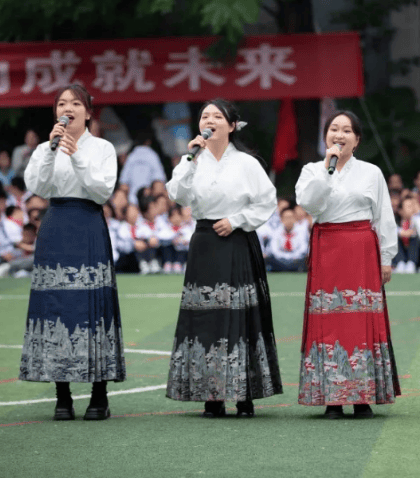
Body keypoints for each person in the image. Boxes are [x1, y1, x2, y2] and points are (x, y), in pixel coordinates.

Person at [165, 98, 282, 418]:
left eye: (218, 116)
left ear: (232, 126)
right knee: (205, 319)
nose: (210, 120)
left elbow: (267, 200)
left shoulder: (246, 163)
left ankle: (245, 396)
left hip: (236, 240)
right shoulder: (193, 159)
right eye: (205, 116)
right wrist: (189, 159)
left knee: (241, 318)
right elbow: (177, 193)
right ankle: (211, 396)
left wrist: (238, 220)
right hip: (204, 242)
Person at [19, 84, 126, 421]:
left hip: (89, 225)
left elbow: (102, 189)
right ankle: (61, 395)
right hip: (55, 226)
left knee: (92, 307)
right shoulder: (44, 148)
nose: (68, 108)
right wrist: (52, 150)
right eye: (62, 103)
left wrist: (76, 152)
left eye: (75, 103)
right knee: (55, 308)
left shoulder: (103, 148)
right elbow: (38, 186)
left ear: (89, 111)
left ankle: (99, 395)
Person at [295, 109, 400, 419]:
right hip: (327, 246)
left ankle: (363, 397)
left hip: (362, 249)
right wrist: (328, 170)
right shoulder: (313, 170)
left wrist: (386, 257)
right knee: (328, 321)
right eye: (333, 129)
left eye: (346, 131)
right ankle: (332, 399)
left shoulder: (371, 172)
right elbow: (310, 204)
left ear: (357, 139)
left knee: (360, 321)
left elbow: (383, 216)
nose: (338, 135)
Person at [119, 133, 167, 204]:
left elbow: (123, 183)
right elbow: (159, 181)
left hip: (132, 201)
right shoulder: (152, 156)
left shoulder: (131, 157)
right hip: (149, 201)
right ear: (148, 142)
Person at [264, 206, 309, 272]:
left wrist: (292, 257)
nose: (289, 220)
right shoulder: (276, 231)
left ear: (295, 218)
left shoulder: (301, 231)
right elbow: (274, 250)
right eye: (286, 218)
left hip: (296, 259)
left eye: (291, 217)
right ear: (281, 219)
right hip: (279, 260)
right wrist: (285, 257)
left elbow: (303, 248)